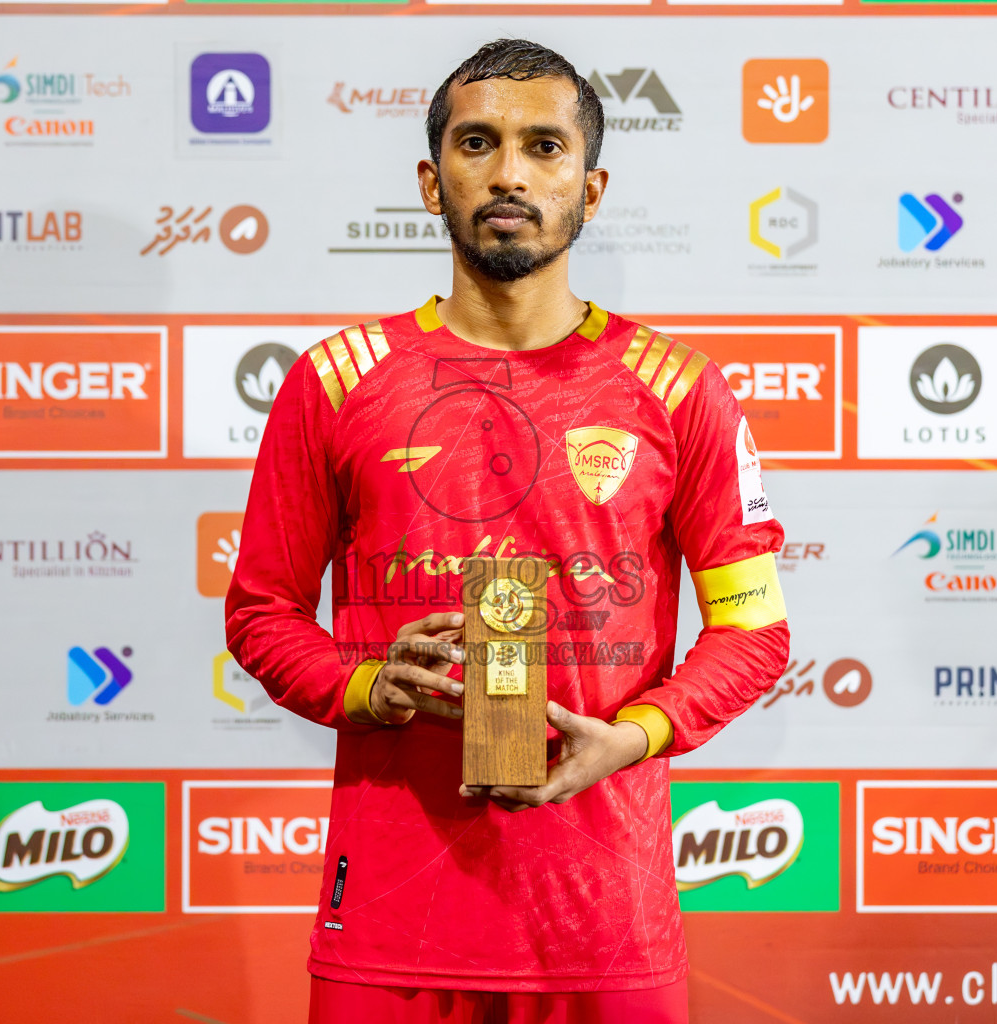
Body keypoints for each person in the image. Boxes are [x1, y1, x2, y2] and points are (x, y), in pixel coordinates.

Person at [227, 38, 790, 1024]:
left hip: (604, 930)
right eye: (477, 142)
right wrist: (364, 683)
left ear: (592, 185)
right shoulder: (334, 380)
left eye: (543, 146)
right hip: (391, 934)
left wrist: (633, 735)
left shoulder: (680, 389)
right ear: (430, 178)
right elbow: (262, 612)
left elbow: (754, 632)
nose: (509, 173)